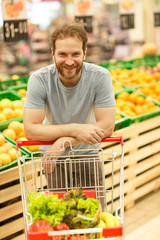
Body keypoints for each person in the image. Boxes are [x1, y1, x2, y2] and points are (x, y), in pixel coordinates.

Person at [23, 22, 116, 202]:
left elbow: (107, 126)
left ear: (85, 53)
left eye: (75, 54)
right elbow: (30, 129)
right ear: (52, 53)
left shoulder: (100, 77)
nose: (69, 61)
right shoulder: (39, 80)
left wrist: (64, 142)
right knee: (61, 222)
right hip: (53, 160)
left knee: (94, 219)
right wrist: (75, 129)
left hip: (87, 155)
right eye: (62, 54)